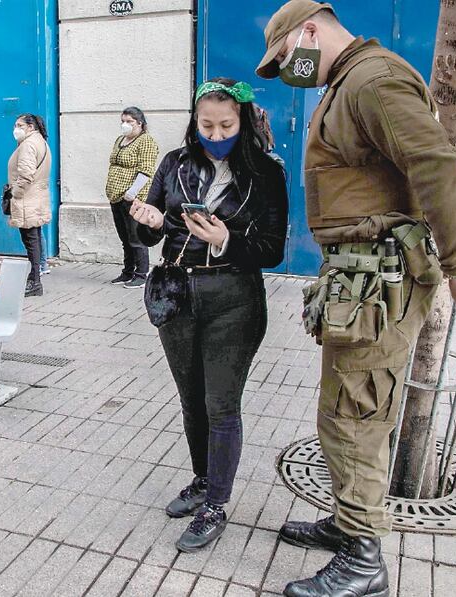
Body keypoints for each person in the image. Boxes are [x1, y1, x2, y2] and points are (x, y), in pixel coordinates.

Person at [256, 2, 456, 596]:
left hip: (382, 279)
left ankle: (363, 559)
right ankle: (345, 523)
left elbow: (434, 163)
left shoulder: (373, 79)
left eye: (286, 59)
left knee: (357, 411)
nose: (288, 73)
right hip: (361, 277)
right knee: (343, 406)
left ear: (308, 31)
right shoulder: (350, 78)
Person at [129, 78, 288, 552]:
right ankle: (202, 479)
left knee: (221, 405)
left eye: (226, 125)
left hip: (233, 298)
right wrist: (149, 221)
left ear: (243, 123)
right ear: (193, 122)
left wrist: (224, 239)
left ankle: (216, 502)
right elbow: (147, 236)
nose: (215, 133)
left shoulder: (265, 172)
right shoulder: (174, 163)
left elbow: (273, 250)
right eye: (206, 125)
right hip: (178, 294)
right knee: (191, 401)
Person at [105, 106, 160, 289]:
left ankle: (141, 274)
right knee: (124, 237)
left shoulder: (146, 141)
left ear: (140, 123)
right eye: (123, 121)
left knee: (136, 237)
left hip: (133, 198)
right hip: (116, 197)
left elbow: (146, 169)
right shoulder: (120, 140)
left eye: (129, 121)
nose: (125, 125)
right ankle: (127, 271)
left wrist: (133, 191)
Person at [8, 114, 52, 296]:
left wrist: (15, 193)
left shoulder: (28, 144)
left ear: (31, 126)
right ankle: (35, 278)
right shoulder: (40, 141)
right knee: (35, 237)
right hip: (36, 197)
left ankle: (35, 281)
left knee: (31, 241)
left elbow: (26, 174)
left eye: (19, 125)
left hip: (27, 199)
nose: (15, 129)